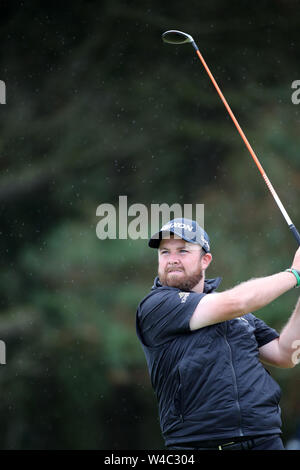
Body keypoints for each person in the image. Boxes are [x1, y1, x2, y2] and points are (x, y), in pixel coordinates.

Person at [136, 218, 300, 450]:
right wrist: (294, 273)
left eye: (182, 250)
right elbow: (236, 301)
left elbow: (286, 355)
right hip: (198, 444)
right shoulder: (157, 305)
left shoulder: (240, 316)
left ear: (206, 260)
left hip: (265, 439)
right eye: (165, 252)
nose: (172, 259)